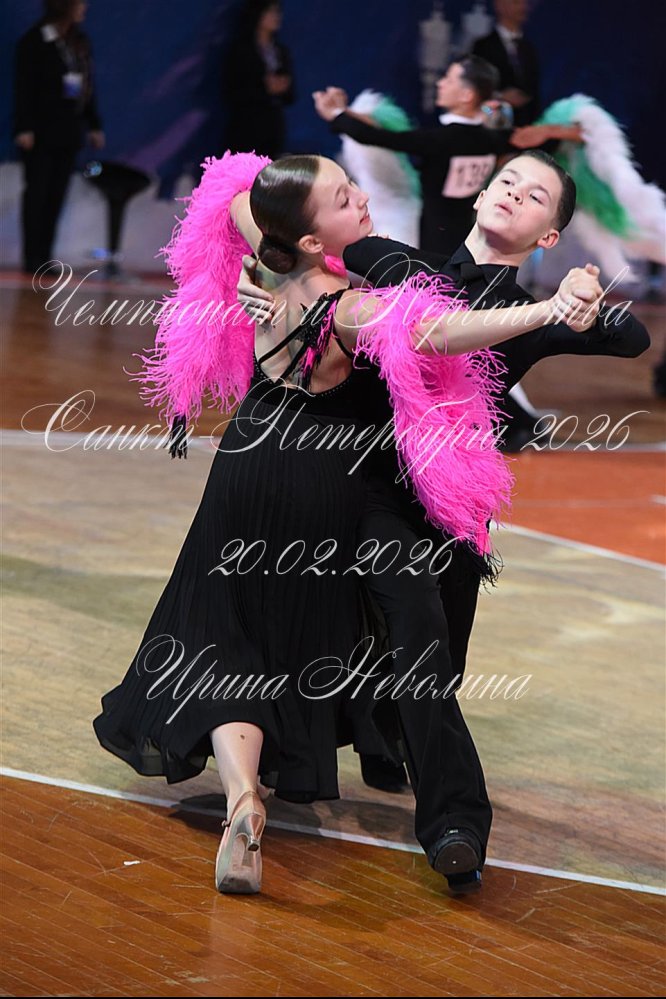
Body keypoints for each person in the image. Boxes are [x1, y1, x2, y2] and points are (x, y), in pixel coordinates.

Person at [93, 149, 602, 897]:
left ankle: (245, 797)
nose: (361, 198)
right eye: (342, 196)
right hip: (336, 481)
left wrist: (259, 261)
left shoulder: (275, 260)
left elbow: (238, 197)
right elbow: (436, 332)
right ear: (311, 236)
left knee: (227, 642)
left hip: (249, 461)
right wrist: (547, 309)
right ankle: (425, 796)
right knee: (351, 639)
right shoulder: (352, 298)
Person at [236, 149, 650, 886]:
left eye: (536, 196)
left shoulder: (538, 317)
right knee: (418, 638)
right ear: (480, 194)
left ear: (549, 235)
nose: (514, 193)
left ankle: (384, 739)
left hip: (455, 506)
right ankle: (456, 823)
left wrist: (588, 297)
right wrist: (269, 277)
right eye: (507, 181)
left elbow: (633, 340)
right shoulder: (396, 263)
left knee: (438, 664)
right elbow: (282, 229)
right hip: (372, 489)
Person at [313, 60, 579, 258]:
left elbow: (378, 137)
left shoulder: (441, 140)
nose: (441, 83)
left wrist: (335, 114)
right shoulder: (494, 139)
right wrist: (560, 130)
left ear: (466, 95)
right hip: (472, 241)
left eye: (449, 79)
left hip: (431, 244)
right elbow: (544, 139)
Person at [13, 0, 104, 275]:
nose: (84, 7)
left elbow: (86, 86)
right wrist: (24, 127)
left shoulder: (79, 41)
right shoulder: (35, 41)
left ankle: (45, 256)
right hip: (41, 132)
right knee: (37, 193)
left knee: (56, 194)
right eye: (79, 3)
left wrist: (94, 124)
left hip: (69, 130)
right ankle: (32, 256)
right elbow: (24, 87)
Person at [222, 0, 294, 159]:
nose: (276, 16)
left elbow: (291, 94)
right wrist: (264, 88)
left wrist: (282, 87)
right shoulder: (241, 51)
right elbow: (232, 91)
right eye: (270, 12)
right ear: (257, 15)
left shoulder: (281, 51)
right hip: (247, 128)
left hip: (274, 127)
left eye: (278, 12)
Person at [471, 0, 541, 127]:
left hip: (526, 126)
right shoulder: (483, 46)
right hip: (492, 124)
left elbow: (534, 90)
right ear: (499, 5)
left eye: (525, 3)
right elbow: (474, 85)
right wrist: (499, 96)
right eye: (516, 2)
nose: (523, 7)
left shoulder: (529, 48)